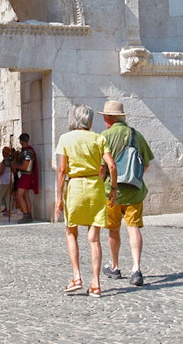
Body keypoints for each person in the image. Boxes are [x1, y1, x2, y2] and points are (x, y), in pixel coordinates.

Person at [55, 104, 117, 298]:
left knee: (71, 231)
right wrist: (113, 188)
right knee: (94, 238)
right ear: (90, 120)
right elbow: (112, 166)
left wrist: (59, 197)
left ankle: (76, 277)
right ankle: (96, 283)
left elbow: (62, 170)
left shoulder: (65, 138)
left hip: (75, 187)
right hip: (95, 187)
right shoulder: (99, 138)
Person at [98, 100, 154, 287]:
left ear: (109, 118)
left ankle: (114, 266)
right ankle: (136, 269)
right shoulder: (136, 135)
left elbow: (102, 168)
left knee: (113, 229)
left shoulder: (104, 137)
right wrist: (134, 177)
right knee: (133, 227)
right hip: (134, 191)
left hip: (111, 192)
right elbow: (146, 163)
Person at [14, 133, 39, 223]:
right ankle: (28, 214)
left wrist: (15, 165)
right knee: (25, 195)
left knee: (19, 195)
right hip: (26, 175)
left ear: (21, 141)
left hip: (26, 175)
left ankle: (26, 214)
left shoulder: (27, 151)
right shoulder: (26, 150)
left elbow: (25, 166)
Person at [0, 146, 14, 217]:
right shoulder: (11, 160)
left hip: (4, 179)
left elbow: (2, 171)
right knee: (7, 196)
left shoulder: (4, 161)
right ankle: (8, 211)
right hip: (10, 178)